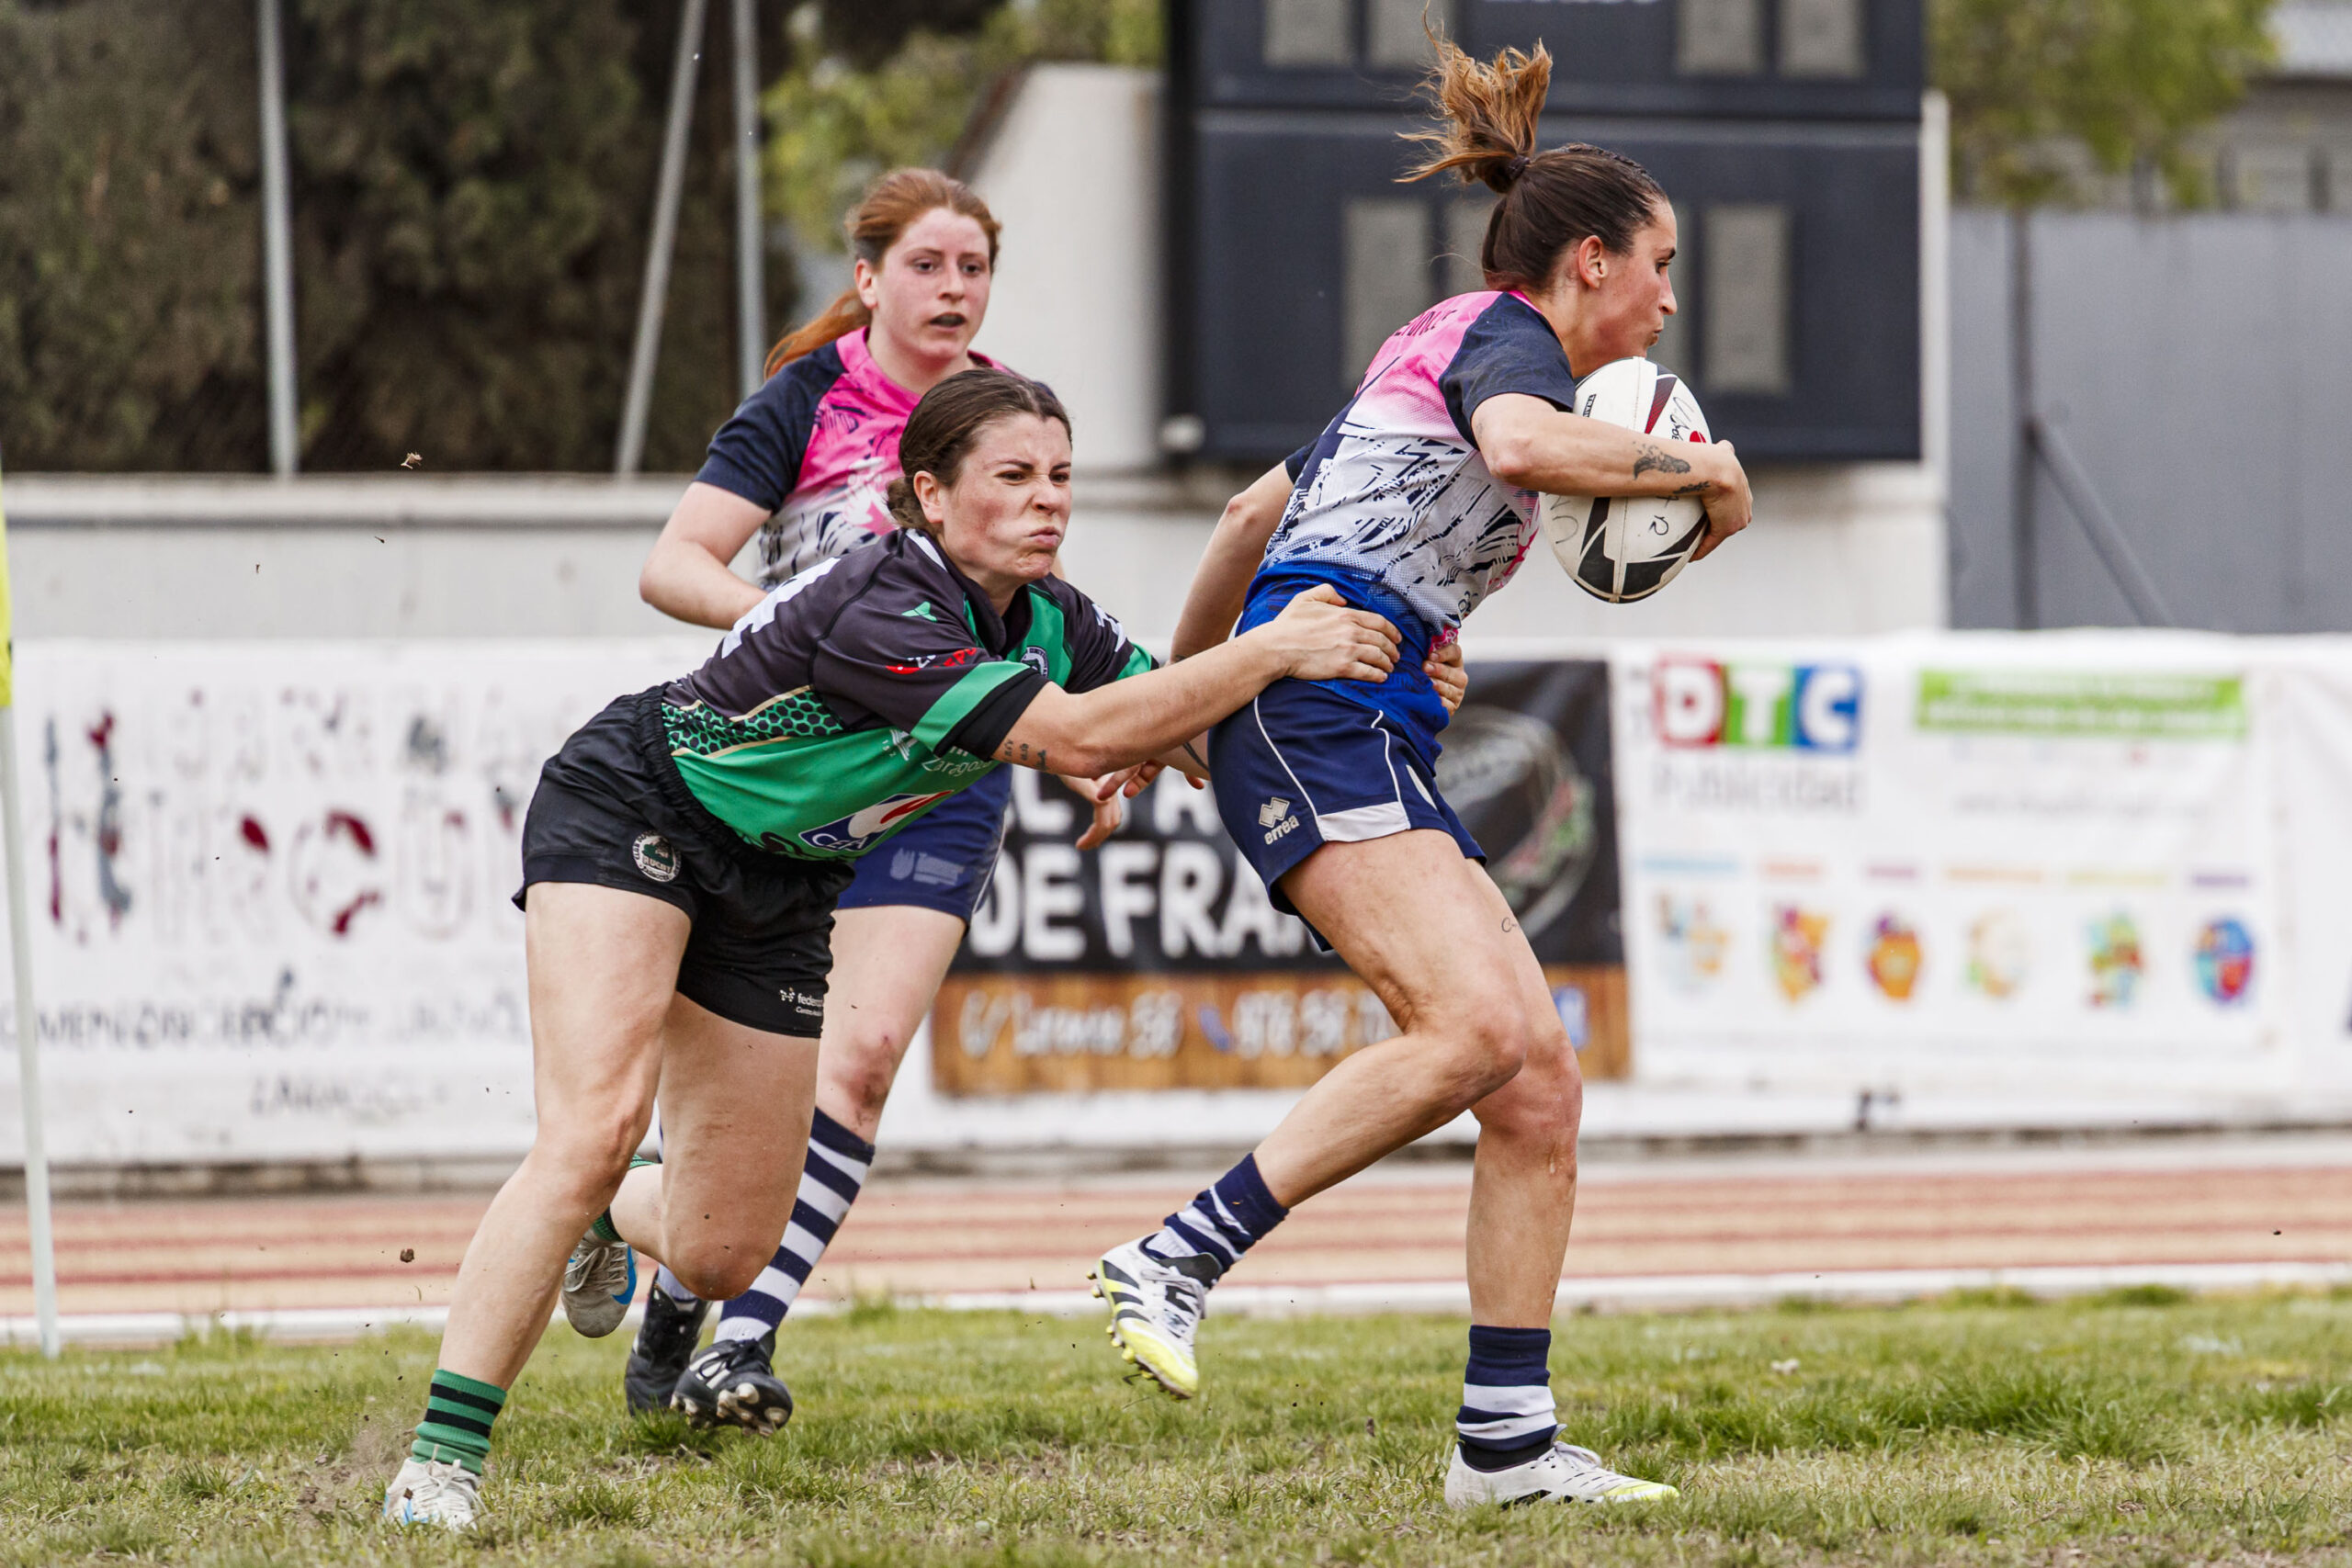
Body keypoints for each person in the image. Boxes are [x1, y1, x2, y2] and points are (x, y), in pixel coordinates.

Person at [382, 368, 1404, 1530]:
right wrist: (1274, 646)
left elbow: (1187, 729)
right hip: (637, 806)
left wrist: (1385, 690)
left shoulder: (1051, 618)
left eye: (1061, 476)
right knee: (593, 1125)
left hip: (783, 884)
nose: (1047, 502)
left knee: (723, 1255)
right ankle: (441, 1463)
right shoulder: (885, 598)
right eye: (1013, 478)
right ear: (928, 492)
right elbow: (1074, 731)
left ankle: (611, 1213)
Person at [618, 166, 1472, 1433]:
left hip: (942, 777)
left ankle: (737, 1342)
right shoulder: (806, 398)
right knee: (715, 1159)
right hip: (795, 759)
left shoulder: (1001, 420)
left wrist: (1364, 681)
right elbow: (672, 563)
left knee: (856, 1062)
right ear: (867, 281)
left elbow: (1097, 674)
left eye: (974, 268)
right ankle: (656, 1241)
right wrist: (801, 627)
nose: (954, 288)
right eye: (926, 265)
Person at [1087, 33, 1753, 1509]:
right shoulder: (1502, 347)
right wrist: (1705, 475)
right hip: (1319, 706)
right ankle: (1174, 1253)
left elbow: (1242, 530)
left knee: (1537, 1084)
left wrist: (1182, 715)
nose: (1668, 299)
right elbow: (1522, 445)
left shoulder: (1427, 354)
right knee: (1466, 1031)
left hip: (1344, 706)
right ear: (1589, 264)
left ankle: (1504, 1445)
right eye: (1658, 266)